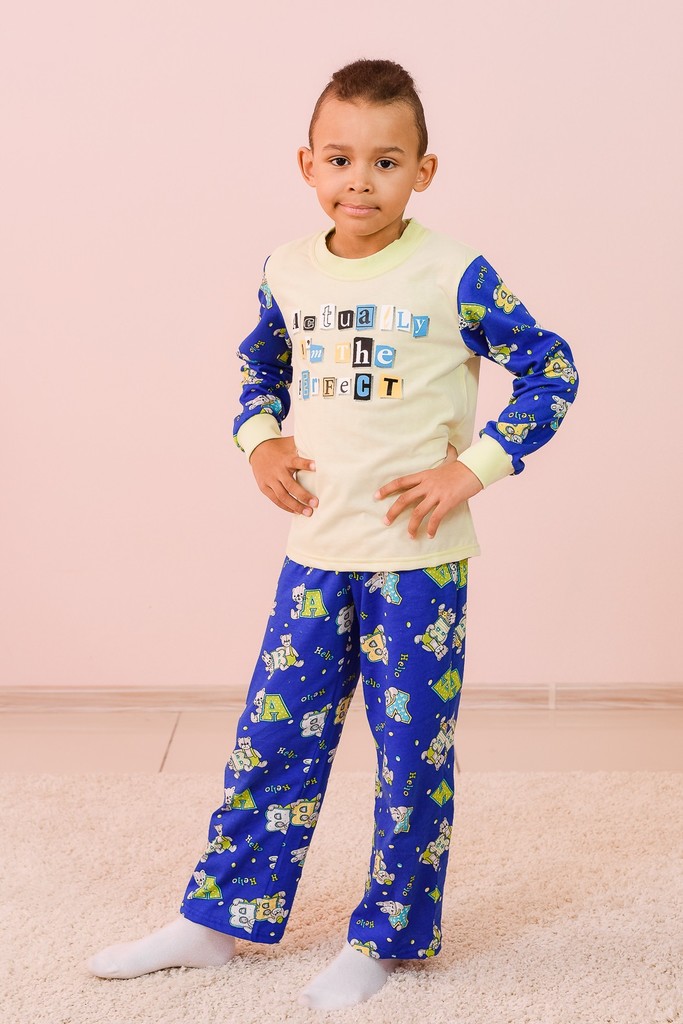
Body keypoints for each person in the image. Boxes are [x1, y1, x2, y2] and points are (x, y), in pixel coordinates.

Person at [87, 58, 579, 1010]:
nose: (361, 180)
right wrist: (259, 441)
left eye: (386, 162)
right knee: (271, 739)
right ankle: (216, 919)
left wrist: (471, 468)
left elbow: (551, 369)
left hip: (418, 565)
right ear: (307, 164)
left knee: (411, 758)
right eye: (341, 159)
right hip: (316, 555)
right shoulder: (287, 269)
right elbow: (259, 369)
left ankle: (385, 938)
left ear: (422, 172)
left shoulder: (454, 273)